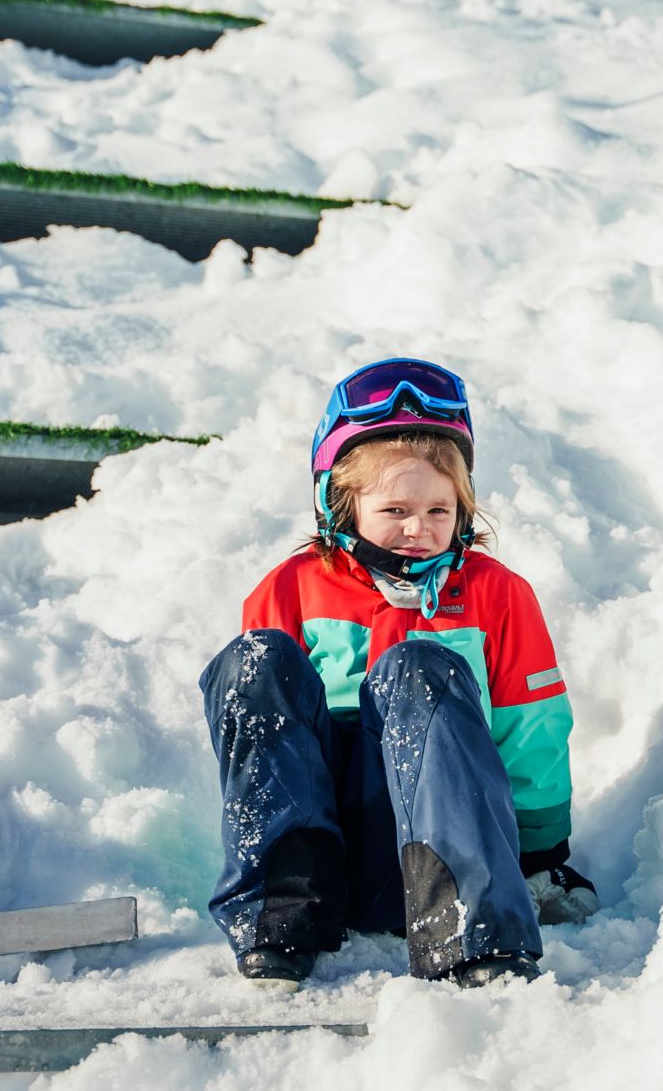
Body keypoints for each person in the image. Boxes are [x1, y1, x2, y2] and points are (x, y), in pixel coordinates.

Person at [199, 356, 597, 989]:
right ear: (341, 504)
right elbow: (265, 738)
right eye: (395, 510)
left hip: (439, 857)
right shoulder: (292, 587)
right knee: (257, 660)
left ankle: (474, 935)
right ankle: (277, 921)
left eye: (439, 510)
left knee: (418, 667)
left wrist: (542, 854)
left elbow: (531, 729)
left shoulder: (496, 593)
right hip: (317, 861)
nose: (419, 530)